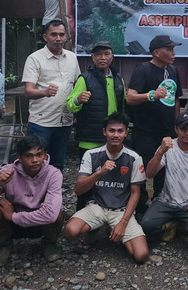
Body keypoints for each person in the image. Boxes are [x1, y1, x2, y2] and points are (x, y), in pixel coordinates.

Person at [64, 113, 150, 264]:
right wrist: (99, 172)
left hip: (121, 210)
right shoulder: (91, 154)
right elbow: (78, 190)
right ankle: (96, 229)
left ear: (126, 133)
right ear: (104, 132)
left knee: (140, 255)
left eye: (120, 131)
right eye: (111, 130)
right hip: (97, 206)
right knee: (70, 231)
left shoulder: (134, 157)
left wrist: (123, 222)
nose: (116, 135)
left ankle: (115, 230)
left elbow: (135, 193)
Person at [0, 135, 64, 267]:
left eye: (39, 155)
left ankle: (49, 243)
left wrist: (13, 216)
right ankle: (4, 245)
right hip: (13, 224)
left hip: (38, 220)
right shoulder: (7, 171)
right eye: (29, 156)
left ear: (45, 156)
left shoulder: (54, 174)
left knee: (57, 214)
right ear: (20, 157)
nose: (35, 160)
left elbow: (50, 215)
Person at [67, 40, 126, 209]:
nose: (102, 58)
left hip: (113, 138)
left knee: (111, 179)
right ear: (92, 57)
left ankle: (109, 210)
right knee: (87, 178)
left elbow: (124, 106)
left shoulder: (118, 79)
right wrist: (78, 99)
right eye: (98, 54)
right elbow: (70, 104)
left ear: (112, 57)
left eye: (106, 54)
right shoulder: (85, 78)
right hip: (90, 139)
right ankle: (81, 212)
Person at [140, 111, 188, 244]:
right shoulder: (168, 147)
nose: (187, 133)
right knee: (146, 226)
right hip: (166, 200)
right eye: (183, 129)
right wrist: (160, 152)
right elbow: (149, 173)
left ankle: (178, 224)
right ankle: (174, 223)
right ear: (176, 130)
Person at [126, 34, 183, 202]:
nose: (173, 53)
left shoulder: (173, 70)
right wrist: (151, 95)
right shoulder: (143, 69)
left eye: (173, 49)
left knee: (164, 171)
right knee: (142, 171)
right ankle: (140, 206)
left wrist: (176, 125)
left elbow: (176, 99)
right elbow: (130, 98)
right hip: (146, 132)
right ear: (157, 52)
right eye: (169, 49)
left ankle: (160, 204)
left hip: (167, 132)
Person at [22, 19, 81, 171]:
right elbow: (28, 91)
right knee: (35, 164)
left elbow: (76, 85)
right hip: (42, 122)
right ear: (45, 37)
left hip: (64, 121)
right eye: (53, 34)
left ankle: (55, 187)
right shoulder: (34, 58)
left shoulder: (72, 57)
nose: (58, 38)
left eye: (61, 35)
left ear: (66, 37)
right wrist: (44, 92)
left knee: (58, 164)